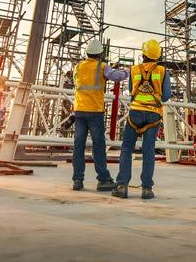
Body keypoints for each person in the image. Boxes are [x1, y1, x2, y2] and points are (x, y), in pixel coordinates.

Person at [113, 38, 171, 200]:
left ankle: (122, 186)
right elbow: (166, 96)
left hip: (135, 114)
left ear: (144, 54)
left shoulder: (134, 69)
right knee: (148, 151)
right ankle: (146, 189)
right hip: (153, 115)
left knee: (126, 149)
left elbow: (132, 91)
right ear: (157, 55)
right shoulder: (162, 71)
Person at [72, 38, 129, 192]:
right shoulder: (102, 66)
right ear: (100, 54)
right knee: (98, 145)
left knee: (79, 145)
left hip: (79, 111)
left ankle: (78, 179)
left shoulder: (77, 67)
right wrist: (128, 71)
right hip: (95, 111)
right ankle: (103, 179)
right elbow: (116, 76)